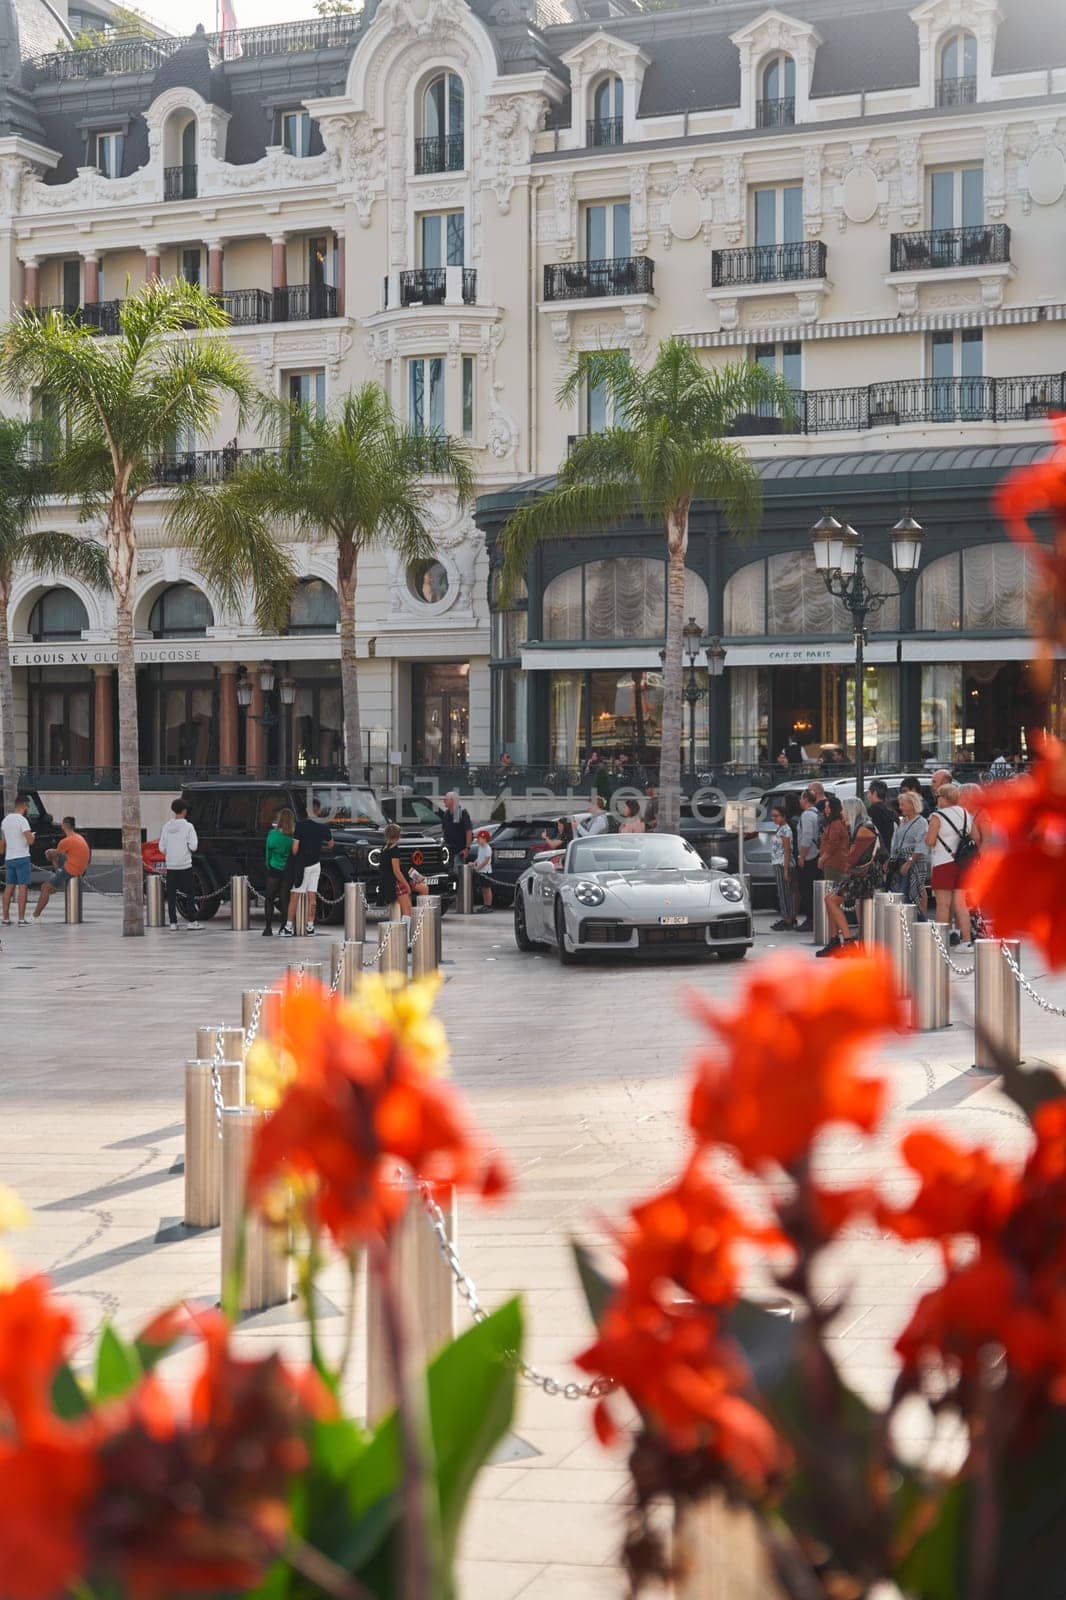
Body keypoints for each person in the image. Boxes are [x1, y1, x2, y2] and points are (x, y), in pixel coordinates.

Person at [818, 799, 881, 956]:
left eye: (844, 811)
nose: (841, 814)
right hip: (860, 874)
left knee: (831, 900)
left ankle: (847, 941)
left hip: (865, 876)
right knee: (829, 899)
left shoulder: (864, 829)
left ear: (852, 812)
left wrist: (845, 861)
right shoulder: (860, 827)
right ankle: (835, 941)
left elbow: (853, 857)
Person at [926, 782, 972, 948]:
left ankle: (940, 941)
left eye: (938, 796)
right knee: (961, 904)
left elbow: (930, 841)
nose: (937, 799)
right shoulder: (965, 813)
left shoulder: (937, 816)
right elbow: (971, 836)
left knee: (943, 904)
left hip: (943, 862)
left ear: (944, 798)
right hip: (962, 863)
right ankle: (966, 940)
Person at [282, 797, 334, 937]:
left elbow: (294, 848)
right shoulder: (323, 826)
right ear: (318, 810)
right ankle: (310, 926)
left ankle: (288, 927)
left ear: (307, 810)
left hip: (302, 865)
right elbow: (331, 844)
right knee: (312, 896)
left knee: (295, 896)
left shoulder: (300, 826)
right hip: (316, 864)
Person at [32, 817, 91, 921]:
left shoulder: (65, 841)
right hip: (81, 868)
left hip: (72, 869)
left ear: (64, 825)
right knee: (58, 857)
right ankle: (55, 883)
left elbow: (52, 855)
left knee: (45, 887)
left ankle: (35, 916)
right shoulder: (79, 837)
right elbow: (60, 854)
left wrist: (49, 853)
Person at [159, 798, 202, 931]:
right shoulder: (188, 826)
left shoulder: (166, 826)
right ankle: (191, 921)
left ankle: (173, 922)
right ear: (184, 811)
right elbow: (194, 846)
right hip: (185, 865)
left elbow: (161, 847)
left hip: (171, 865)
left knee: (171, 895)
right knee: (190, 893)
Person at [889, 790, 928, 916]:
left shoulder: (921, 822)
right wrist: (890, 859)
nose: (900, 808)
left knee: (914, 891)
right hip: (901, 859)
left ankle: (921, 920)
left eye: (903, 805)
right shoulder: (903, 821)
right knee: (904, 892)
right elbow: (896, 841)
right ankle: (915, 920)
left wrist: (910, 862)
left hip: (913, 861)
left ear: (912, 804)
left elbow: (921, 844)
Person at [262, 807, 297, 937]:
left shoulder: (273, 834)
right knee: (284, 900)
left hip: (274, 868)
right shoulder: (292, 836)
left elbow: (268, 852)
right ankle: (283, 926)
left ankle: (268, 927)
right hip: (288, 870)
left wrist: (268, 864)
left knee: (269, 899)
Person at [1, 792, 34, 927]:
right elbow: (30, 840)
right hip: (22, 857)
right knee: (22, 888)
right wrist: (33, 836)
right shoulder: (22, 820)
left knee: (8, 887)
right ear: (24, 806)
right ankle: (21, 919)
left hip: (9, 858)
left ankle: (6, 917)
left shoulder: (5, 820)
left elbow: (3, 842)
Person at [794, 788, 822, 933]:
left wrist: (802, 856)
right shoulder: (817, 813)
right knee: (813, 889)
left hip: (809, 856)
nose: (799, 801)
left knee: (806, 889)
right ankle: (815, 917)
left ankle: (810, 918)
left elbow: (807, 837)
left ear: (805, 799)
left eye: (801, 798)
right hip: (817, 855)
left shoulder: (806, 815)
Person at [769, 804, 796, 932]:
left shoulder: (785, 830)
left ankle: (788, 918)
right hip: (777, 862)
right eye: (773, 816)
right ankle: (786, 917)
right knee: (782, 892)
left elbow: (787, 850)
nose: (774, 818)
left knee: (784, 892)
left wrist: (785, 869)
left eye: (777, 816)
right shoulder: (780, 829)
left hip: (782, 864)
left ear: (784, 816)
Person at [817, 795, 850, 884]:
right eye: (825, 807)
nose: (826, 810)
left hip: (833, 864)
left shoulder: (835, 824)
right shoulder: (837, 823)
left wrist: (822, 859)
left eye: (829, 807)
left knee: (832, 892)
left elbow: (833, 844)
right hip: (836, 863)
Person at [438, 791, 473, 862]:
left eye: (446, 799)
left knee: (457, 870)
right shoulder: (446, 814)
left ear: (452, 800)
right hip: (448, 850)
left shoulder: (462, 813)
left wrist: (467, 848)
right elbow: (444, 830)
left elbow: (468, 831)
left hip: (459, 851)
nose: (444, 801)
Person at [866, 779, 896, 856]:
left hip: (877, 852)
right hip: (888, 850)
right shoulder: (889, 810)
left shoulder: (872, 811)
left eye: (869, 792)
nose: (868, 795)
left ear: (875, 793)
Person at [470, 827, 494, 913]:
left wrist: (478, 867)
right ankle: (485, 904)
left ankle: (489, 905)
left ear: (485, 839)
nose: (477, 840)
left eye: (479, 838)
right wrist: (474, 863)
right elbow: (479, 858)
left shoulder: (487, 848)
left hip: (486, 871)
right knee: (483, 889)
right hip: (481, 871)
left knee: (487, 888)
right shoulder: (480, 847)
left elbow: (486, 860)